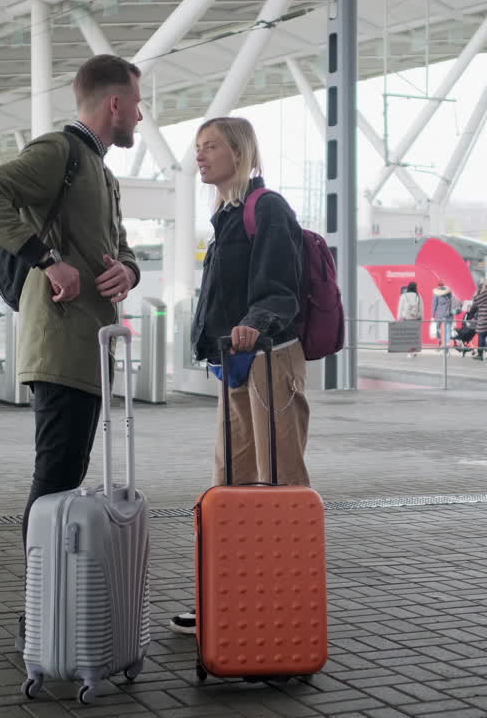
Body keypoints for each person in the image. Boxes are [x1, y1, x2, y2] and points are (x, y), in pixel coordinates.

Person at [0, 54, 143, 547]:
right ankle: (41, 609)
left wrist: (127, 270)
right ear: (114, 104)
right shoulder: (58, 151)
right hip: (61, 345)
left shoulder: (102, 174)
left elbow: (121, 246)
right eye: (137, 103)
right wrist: (49, 261)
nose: (140, 115)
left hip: (90, 346)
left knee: (65, 482)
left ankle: (50, 604)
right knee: (53, 485)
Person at [170, 116, 307, 636]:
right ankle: (225, 596)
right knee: (229, 481)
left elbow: (281, 288)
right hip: (237, 362)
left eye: (211, 147)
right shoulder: (226, 215)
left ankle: (288, 601)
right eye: (197, 147)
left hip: (272, 359)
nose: (200, 156)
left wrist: (253, 323)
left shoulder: (266, 207)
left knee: (280, 479)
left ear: (240, 152)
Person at [398, 282, 422, 358]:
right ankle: (414, 351)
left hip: (406, 318)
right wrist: (422, 318)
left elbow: (400, 307)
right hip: (416, 318)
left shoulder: (403, 296)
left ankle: (409, 352)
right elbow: (421, 309)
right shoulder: (418, 296)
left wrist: (398, 317)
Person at [431, 281, 458, 347]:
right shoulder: (449, 293)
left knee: (437, 328)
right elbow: (453, 302)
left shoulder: (436, 294)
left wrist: (432, 315)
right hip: (449, 313)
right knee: (448, 329)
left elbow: (434, 305)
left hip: (440, 314)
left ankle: (440, 340)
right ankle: (447, 344)